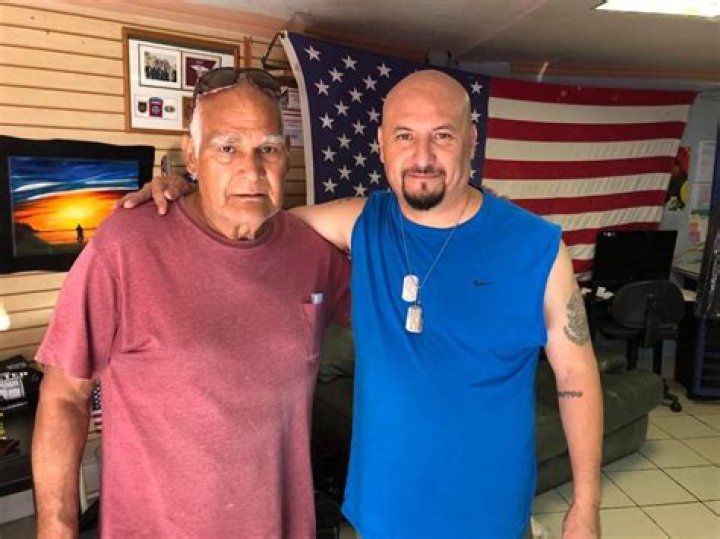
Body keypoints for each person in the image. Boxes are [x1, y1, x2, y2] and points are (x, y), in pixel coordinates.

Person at [123, 69, 603, 539]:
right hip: (378, 515)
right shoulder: (362, 224)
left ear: (471, 140)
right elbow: (250, 219)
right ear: (381, 144)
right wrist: (187, 193)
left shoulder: (536, 247)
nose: (422, 157)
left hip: (489, 518)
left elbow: (576, 375)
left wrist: (586, 505)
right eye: (404, 136)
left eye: (442, 135)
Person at [32, 69, 349, 538]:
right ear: (192, 157)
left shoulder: (310, 252)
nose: (251, 170)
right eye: (227, 148)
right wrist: (56, 528)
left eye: (268, 148)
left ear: (286, 156)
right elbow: (64, 396)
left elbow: (396, 269)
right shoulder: (127, 244)